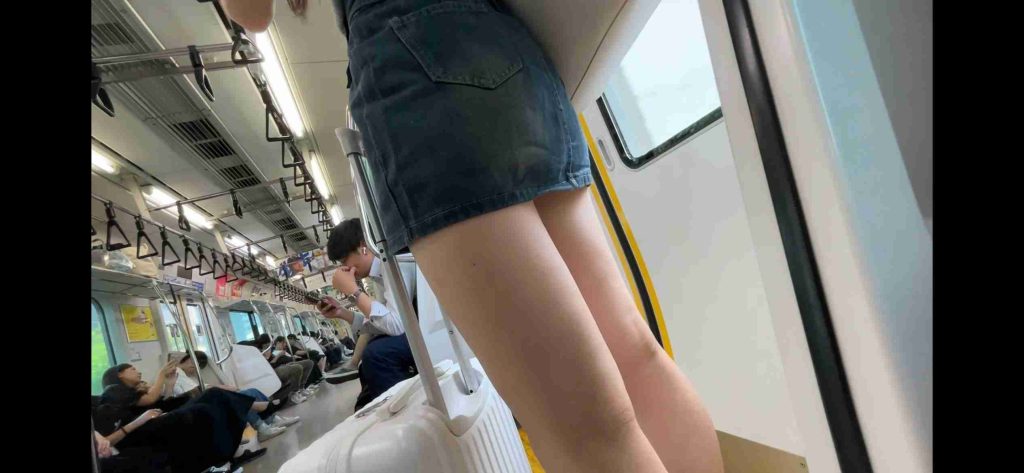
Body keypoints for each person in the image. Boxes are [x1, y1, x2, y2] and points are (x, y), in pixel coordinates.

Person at [221, 1, 723, 472]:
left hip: (416, 73)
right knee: (634, 355)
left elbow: (251, 13)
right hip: (506, 46)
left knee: (579, 422)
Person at [93, 387, 255, 473]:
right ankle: (256, 412)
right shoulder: (110, 401)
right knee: (202, 410)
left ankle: (254, 412)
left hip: (149, 418)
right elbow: (149, 400)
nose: (137, 371)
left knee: (213, 394)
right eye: (131, 369)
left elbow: (156, 401)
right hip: (139, 428)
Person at [173, 351, 300, 440]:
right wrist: (230, 389)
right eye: (192, 364)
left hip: (207, 398)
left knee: (253, 391)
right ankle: (262, 427)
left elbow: (205, 386)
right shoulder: (178, 373)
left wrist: (230, 388)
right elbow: (200, 390)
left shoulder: (188, 376)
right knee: (244, 397)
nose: (194, 368)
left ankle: (272, 419)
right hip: (204, 402)